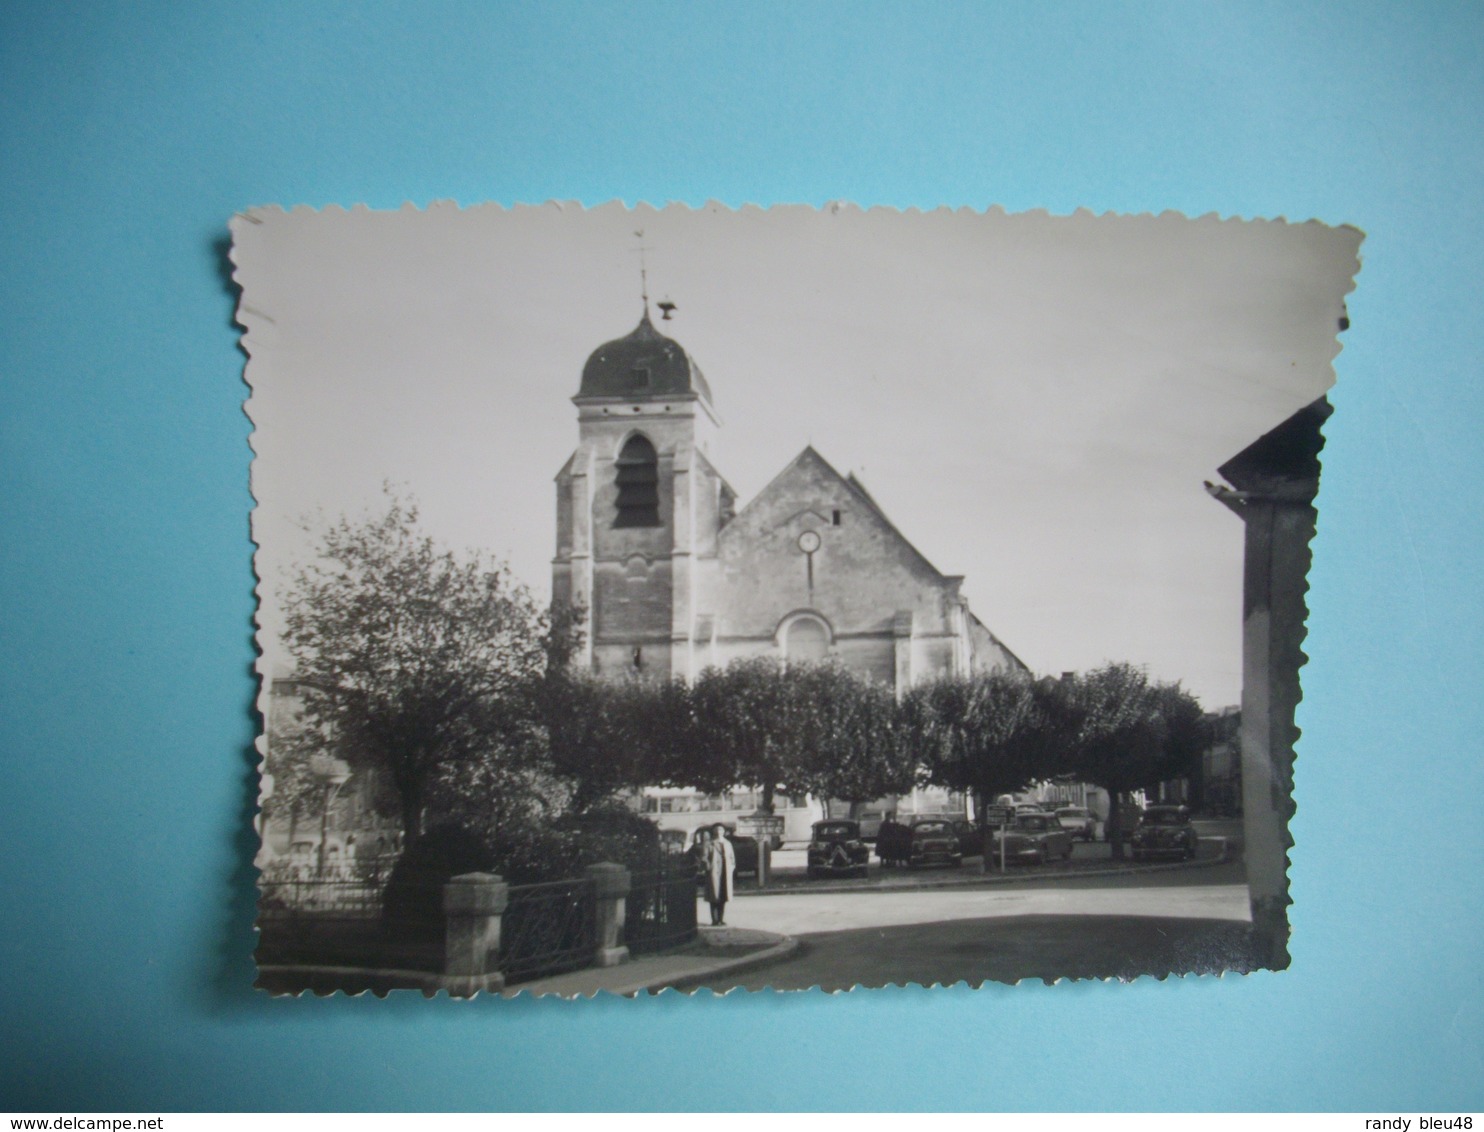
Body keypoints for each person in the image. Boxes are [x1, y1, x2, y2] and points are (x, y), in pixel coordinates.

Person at [703, 822, 736, 926]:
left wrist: (731, 867)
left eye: (721, 830)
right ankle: (714, 920)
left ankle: (721, 919)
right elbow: (704, 857)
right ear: (713, 831)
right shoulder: (710, 844)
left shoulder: (727, 843)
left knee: (723, 896)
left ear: (724, 832)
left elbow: (732, 857)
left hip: (725, 872)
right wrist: (708, 867)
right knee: (714, 897)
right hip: (714, 872)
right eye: (716, 830)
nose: (719, 832)